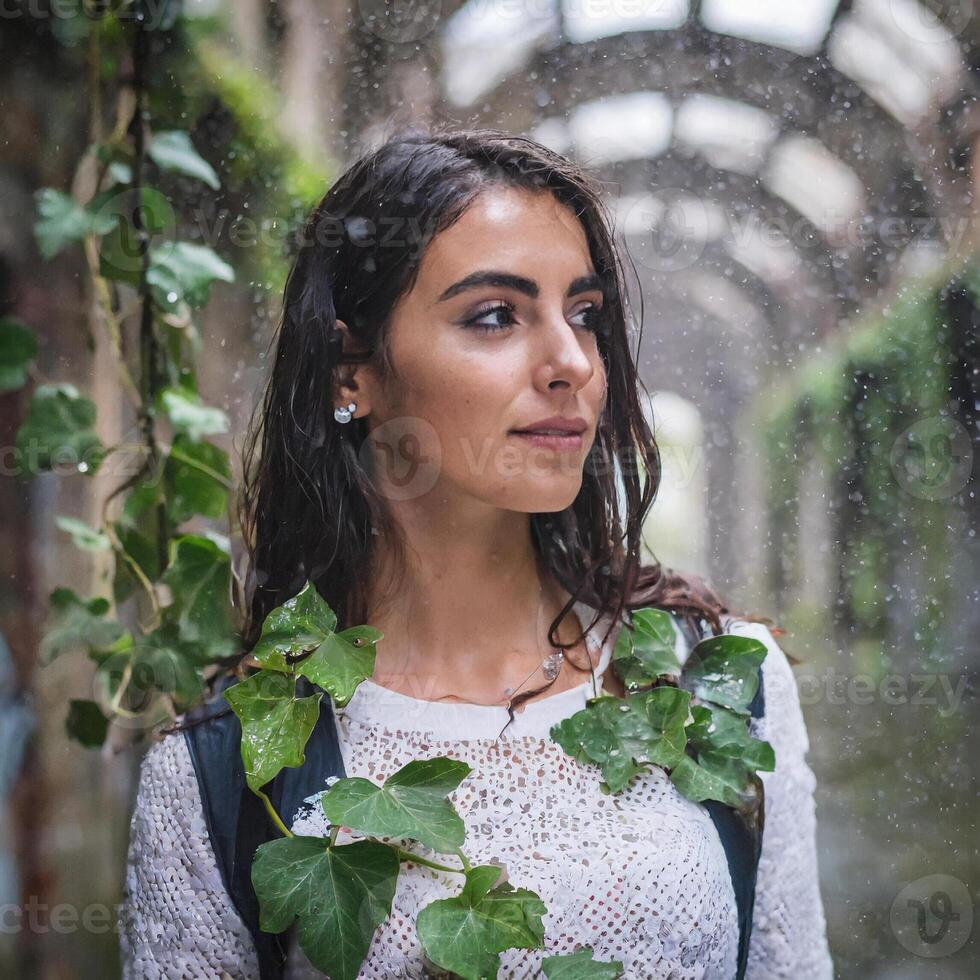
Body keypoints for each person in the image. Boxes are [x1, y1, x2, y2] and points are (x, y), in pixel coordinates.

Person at [117, 127, 833, 979]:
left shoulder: (725, 685)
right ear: (354, 372)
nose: (571, 362)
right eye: (495, 315)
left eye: (586, 314)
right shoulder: (220, 776)